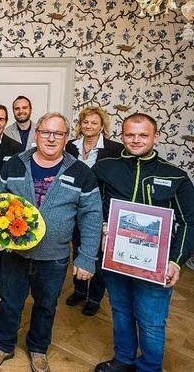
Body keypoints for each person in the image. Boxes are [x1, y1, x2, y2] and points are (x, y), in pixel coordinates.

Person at [0, 113, 102, 372]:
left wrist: (87, 256)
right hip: (15, 254)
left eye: (58, 134)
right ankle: (3, 345)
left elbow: (92, 216)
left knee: (46, 305)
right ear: (36, 134)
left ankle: (38, 348)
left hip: (54, 257)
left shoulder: (80, 172)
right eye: (46, 132)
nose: (51, 138)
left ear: (67, 138)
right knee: (11, 301)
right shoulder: (15, 163)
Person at [93, 113, 194, 372]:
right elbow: (93, 206)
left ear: (155, 137)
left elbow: (189, 223)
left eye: (143, 135)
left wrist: (176, 261)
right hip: (115, 260)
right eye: (130, 134)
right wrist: (103, 225)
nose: (136, 140)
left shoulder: (176, 177)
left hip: (156, 265)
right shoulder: (106, 168)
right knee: (121, 311)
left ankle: (150, 367)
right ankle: (123, 360)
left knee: (151, 321)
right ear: (122, 136)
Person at [64, 106, 123, 316]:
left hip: (99, 208)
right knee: (78, 247)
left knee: (98, 254)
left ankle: (95, 297)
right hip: (73, 207)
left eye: (93, 123)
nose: (88, 126)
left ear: (102, 126)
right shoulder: (70, 146)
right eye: (85, 122)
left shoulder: (114, 149)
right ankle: (79, 290)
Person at [0, 103, 24, 302]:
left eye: (1, 119)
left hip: (5, 206)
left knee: (3, 249)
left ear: (6, 122)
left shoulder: (16, 148)